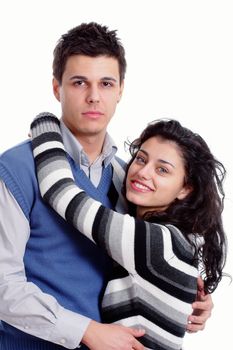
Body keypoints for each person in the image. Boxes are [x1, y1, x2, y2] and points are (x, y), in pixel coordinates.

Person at [0, 22, 213, 349]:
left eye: (106, 83)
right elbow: (3, 285)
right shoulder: (16, 167)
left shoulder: (130, 180)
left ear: (120, 90)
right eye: (79, 82)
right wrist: (84, 330)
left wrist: (190, 295)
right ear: (57, 88)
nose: (94, 96)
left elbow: (159, 252)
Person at [30, 115, 227, 350]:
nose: (144, 172)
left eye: (162, 170)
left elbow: (59, 191)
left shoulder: (152, 243)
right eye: (141, 159)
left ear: (185, 188)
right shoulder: (180, 240)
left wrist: (45, 123)